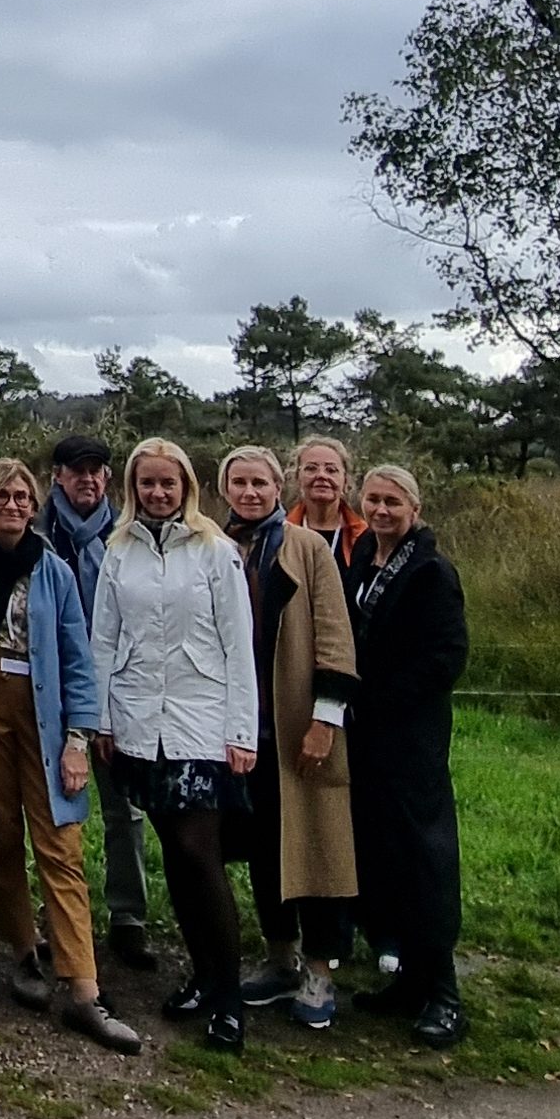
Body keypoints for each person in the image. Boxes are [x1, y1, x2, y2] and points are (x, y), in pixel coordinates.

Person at [0, 457, 139, 1050]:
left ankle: (83, 986)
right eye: (2, 495)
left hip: (44, 710)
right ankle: (22, 950)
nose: (12, 505)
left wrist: (78, 738)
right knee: (0, 833)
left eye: (22, 497)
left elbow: (77, 658)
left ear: (34, 507)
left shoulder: (53, 570)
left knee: (60, 844)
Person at [89, 437, 259, 1051]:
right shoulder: (119, 550)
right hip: (140, 724)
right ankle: (203, 975)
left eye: (169, 483)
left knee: (199, 854)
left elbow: (238, 643)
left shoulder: (215, 551)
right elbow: (104, 638)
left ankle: (228, 996)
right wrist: (102, 720)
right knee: (175, 857)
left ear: (187, 486)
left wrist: (241, 731)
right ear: (133, 488)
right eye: (148, 483)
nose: (158, 493)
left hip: (201, 723)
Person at [215, 442, 361, 1034]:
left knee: (318, 848)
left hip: (299, 721)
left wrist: (326, 720)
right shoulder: (216, 546)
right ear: (224, 489)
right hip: (240, 728)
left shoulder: (306, 548)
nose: (250, 493)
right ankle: (280, 958)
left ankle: (320, 971)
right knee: (262, 847)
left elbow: (335, 633)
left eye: (261, 483)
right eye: (239, 483)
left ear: (280, 487)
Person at [346, 464, 470, 1050]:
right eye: (373, 499)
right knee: (384, 853)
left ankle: (444, 992)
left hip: (411, 735)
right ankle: (407, 979)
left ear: (414, 509)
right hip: (366, 734)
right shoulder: (363, 555)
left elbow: (446, 656)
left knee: (425, 855)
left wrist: (384, 700)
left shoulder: (430, 571)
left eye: (392, 502)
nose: (381, 510)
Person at [42, 432, 152, 970]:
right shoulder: (38, 533)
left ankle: (128, 916)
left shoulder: (129, 535)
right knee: (50, 810)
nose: (88, 479)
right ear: (57, 476)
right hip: (50, 686)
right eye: (77, 470)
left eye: (97, 470)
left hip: (118, 687)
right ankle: (57, 917)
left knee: (124, 809)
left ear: (108, 477)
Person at [291, 435, 369, 586]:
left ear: (345, 480)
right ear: (297, 478)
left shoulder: (364, 537)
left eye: (331, 470)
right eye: (311, 468)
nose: (321, 475)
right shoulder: (281, 535)